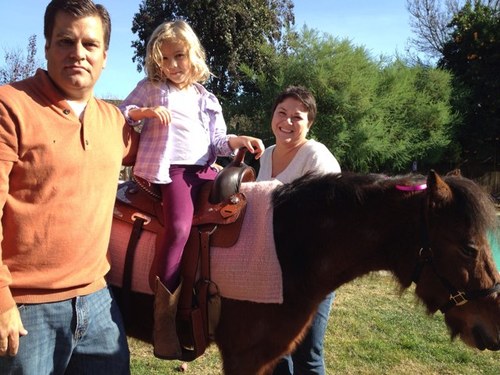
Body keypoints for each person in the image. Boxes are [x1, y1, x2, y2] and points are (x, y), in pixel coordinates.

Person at [0, 1, 137, 374]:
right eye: (65, 41)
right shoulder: (10, 107)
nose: (78, 53)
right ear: (47, 48)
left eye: (90, 45)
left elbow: (163, 155)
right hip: (27, 308)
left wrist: (223, 141)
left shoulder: (115, 123)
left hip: (97, 299)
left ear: (105, 56)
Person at [119, 20, 264, 359]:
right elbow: (121, 113)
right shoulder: (151, 87)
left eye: (179, 56)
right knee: (180, 227)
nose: (171, 66)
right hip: (171, 173)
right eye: (164, 60)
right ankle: (164, 321)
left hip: (204, 170)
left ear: (194, 55)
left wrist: (237, 140)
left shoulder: (206, 97)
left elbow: (217, 140)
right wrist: (144, 113)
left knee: (241, 209)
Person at [257, 86, 341, 375]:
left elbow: (334, 216)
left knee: (308, 354)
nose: (287, 122)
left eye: (297, 117)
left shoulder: (316, 156)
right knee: (278, 351)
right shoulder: (267, 155)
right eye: (282, 113)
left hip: (311, 274)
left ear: (310, 124)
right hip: (273, 271)